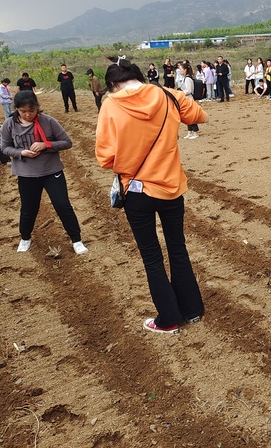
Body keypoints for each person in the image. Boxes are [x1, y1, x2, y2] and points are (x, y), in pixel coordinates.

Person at [95, 56, 207, 334]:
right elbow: (199, 116)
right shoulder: (168, 95)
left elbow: (105, 158)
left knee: (152, 256)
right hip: (171, 188)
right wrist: (174, 96)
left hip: (136, 192)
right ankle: (192, 310)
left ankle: (168, 319)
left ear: (113, 84)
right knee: (177, 248)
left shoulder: (111, 105)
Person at [0, 90, 88, 255]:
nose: (27, 114)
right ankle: (25, 238)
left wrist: (46, 144)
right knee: (29, 208)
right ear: (16, 109)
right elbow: (4, 148)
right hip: (27, 174)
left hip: (51, 171)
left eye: (31, 111)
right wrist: (21, 153)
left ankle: (76, 240)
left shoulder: (48, 121)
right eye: (23, 111)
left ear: (37, 107)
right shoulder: (9, 124)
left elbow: (66, 142)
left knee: (63, 205)